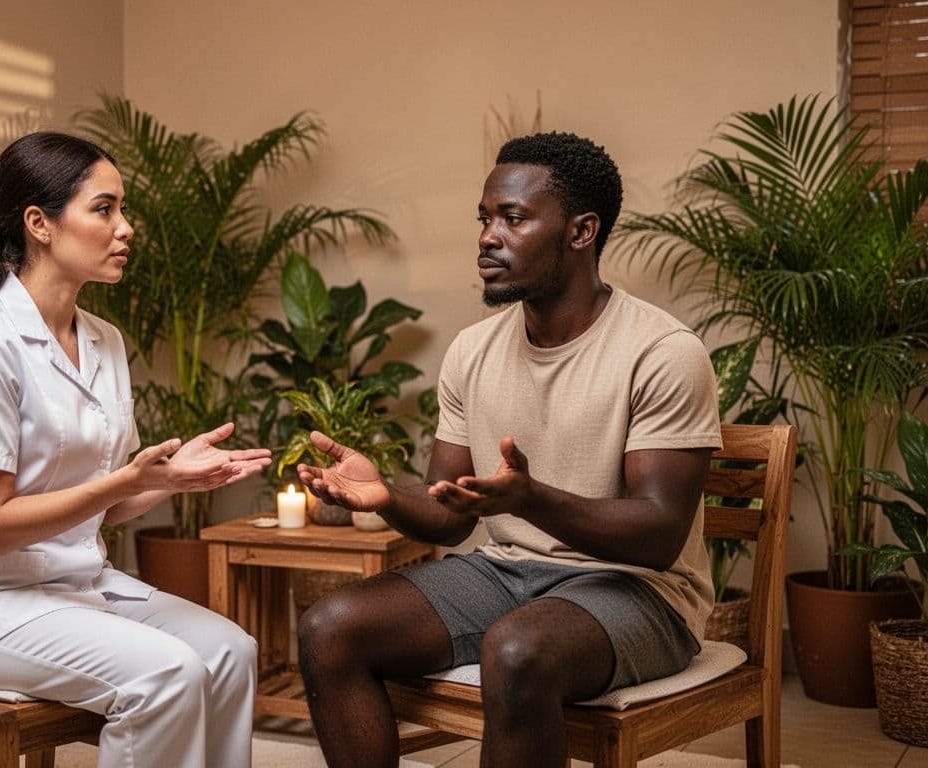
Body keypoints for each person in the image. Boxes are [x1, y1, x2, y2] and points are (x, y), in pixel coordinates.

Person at [295, 132, 722, 768]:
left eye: (513, 218)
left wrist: (531, 498)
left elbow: (659, 535)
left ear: (581, 232)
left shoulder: (662, 352)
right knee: (328, 628)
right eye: (485, 218)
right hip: (504, 572)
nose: (487, 236)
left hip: (642, 592)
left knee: (517, 649)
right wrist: (383, 495)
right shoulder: (473, 350)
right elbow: (448, 515)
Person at [0, 131, 269, 768]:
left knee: (230, 652)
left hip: (72, 586)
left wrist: (174, 481)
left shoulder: (105, 341)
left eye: (121, 209)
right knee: (166, 674)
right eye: (105, 209)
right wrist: (128, 482)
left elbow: (108, 504)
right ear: (39, 224)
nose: (126, 228)